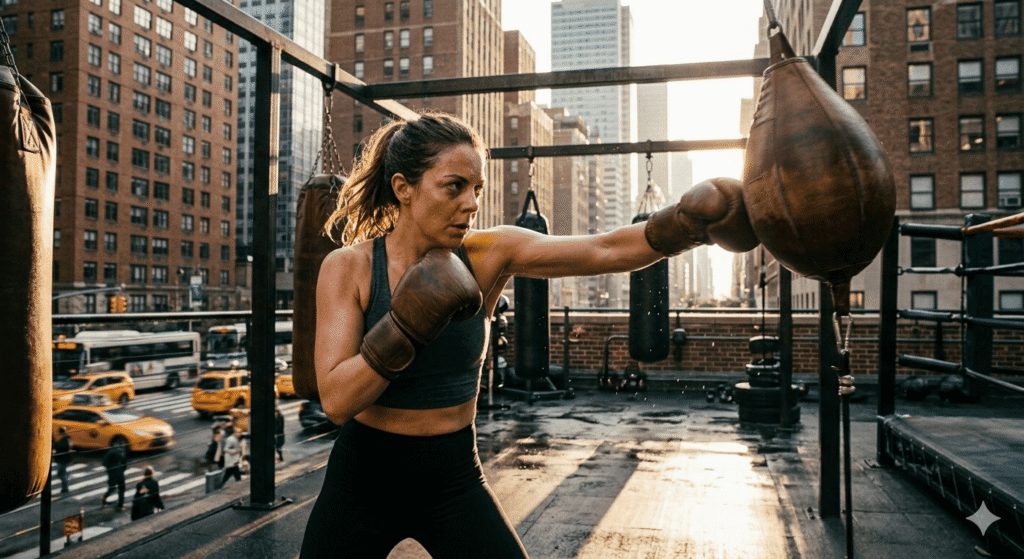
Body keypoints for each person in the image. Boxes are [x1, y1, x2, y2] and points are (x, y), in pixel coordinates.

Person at [298, 112, 756, 558]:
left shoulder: (488, 253)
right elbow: (337, 401)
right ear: (404, 189)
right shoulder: (351, 267)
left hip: (452, 474)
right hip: (364, 476)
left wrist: (683, 226)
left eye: (477, 189)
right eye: (454, 187)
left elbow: (603, 248)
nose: (471, 204)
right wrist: (406, 325)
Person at [100, 442, 128, 510]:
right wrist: (121, 470)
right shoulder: (122, 452)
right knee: (121, 489)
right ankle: (121, 504)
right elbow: (125, 464)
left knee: (112, 488)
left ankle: (104, 498)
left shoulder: (110, 452)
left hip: (112, 473)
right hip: (120, 473)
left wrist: (110, 470)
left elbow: (104, 463)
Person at [52, 427, 73, 495]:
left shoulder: (65, 441)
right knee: (62, 474)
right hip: (64, 460)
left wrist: (55, 445)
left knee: (61, 474)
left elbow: (60, 447)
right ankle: (65, 488)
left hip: (62, 460)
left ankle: (65, 488)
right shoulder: (67, 439)